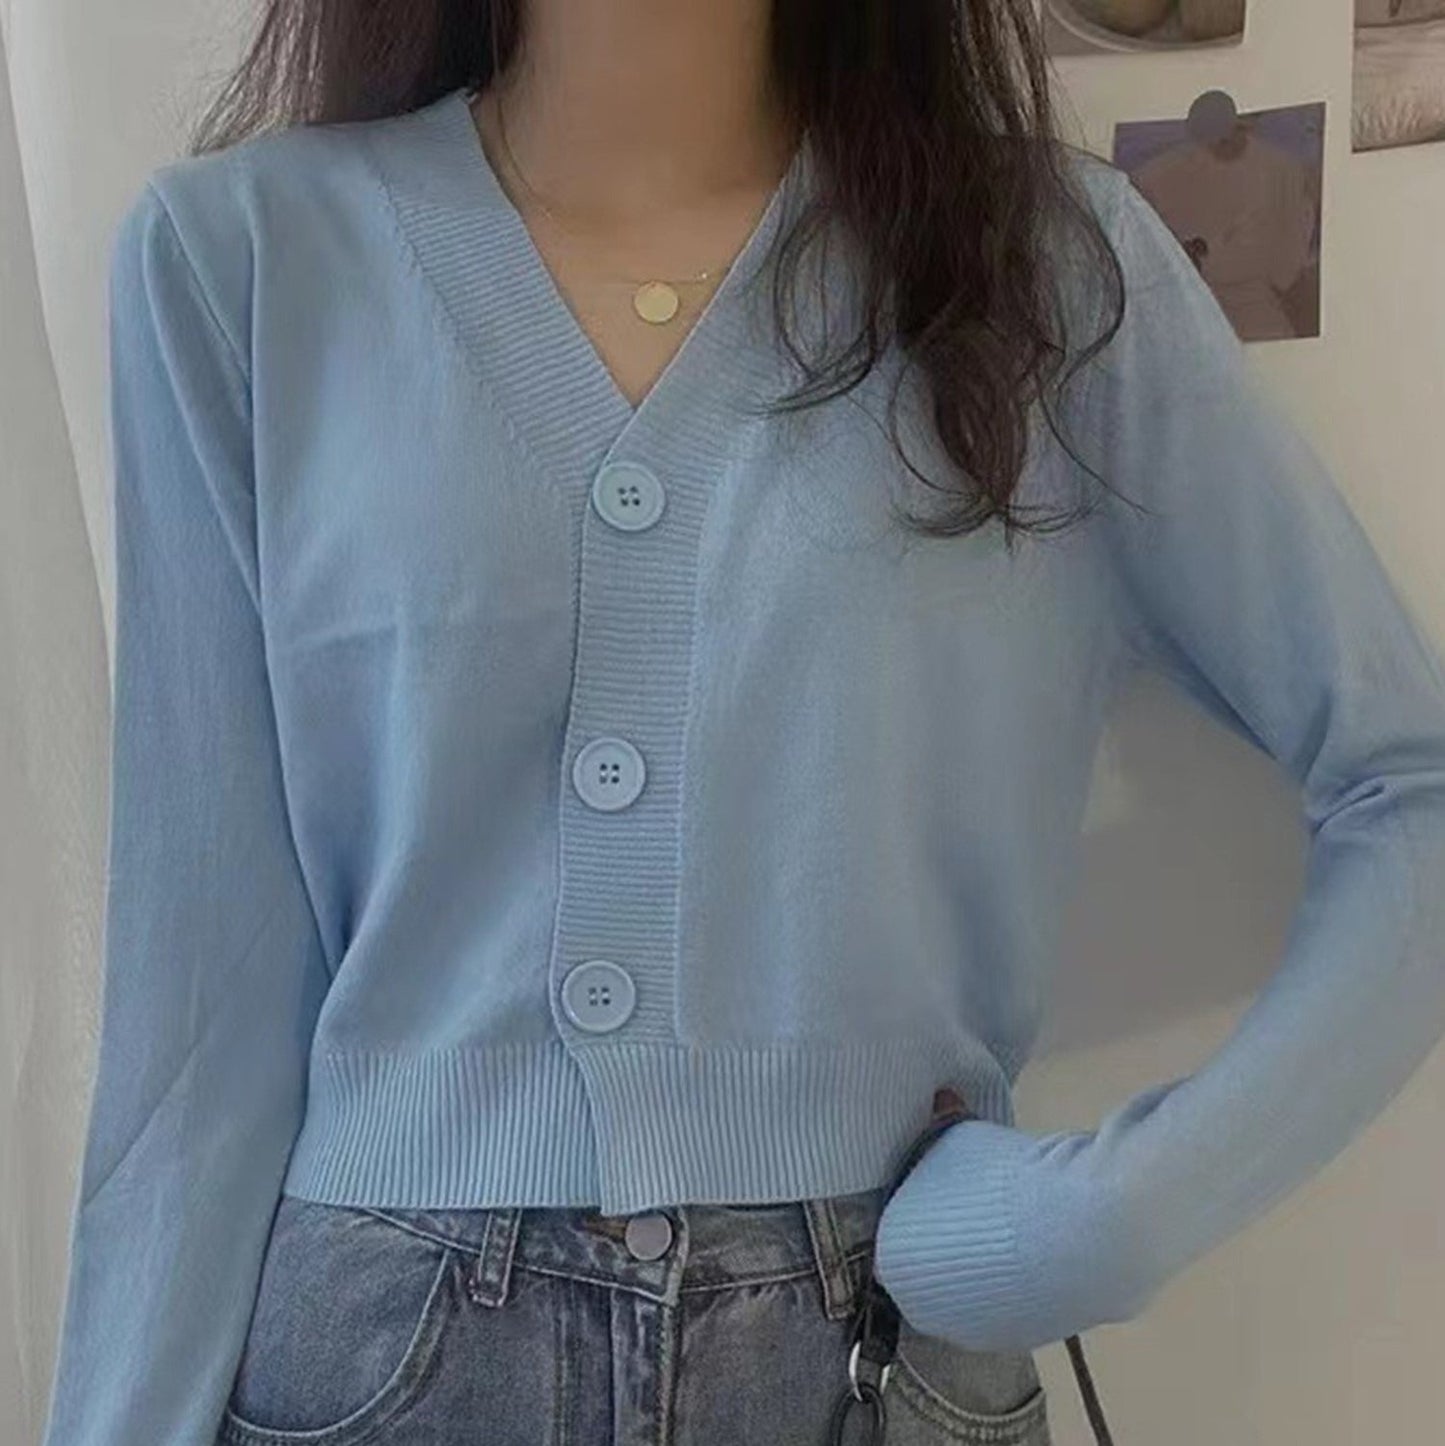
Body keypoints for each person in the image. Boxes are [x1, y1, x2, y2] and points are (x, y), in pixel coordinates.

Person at [39, 1, 1445, 1443]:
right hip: (380, 1357)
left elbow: (1410, 782)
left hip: (884, 1334)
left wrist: (1110, 1221)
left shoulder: (1041, 265)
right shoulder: (243, 260)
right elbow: (200, 1014)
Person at [1131, 90, 1319, 340]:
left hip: (1254, 300)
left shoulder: (1282, 170)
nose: (1225, 141)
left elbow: (1293, 242)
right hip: (1186, 301)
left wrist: (1277, 277)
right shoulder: (1162, 173)